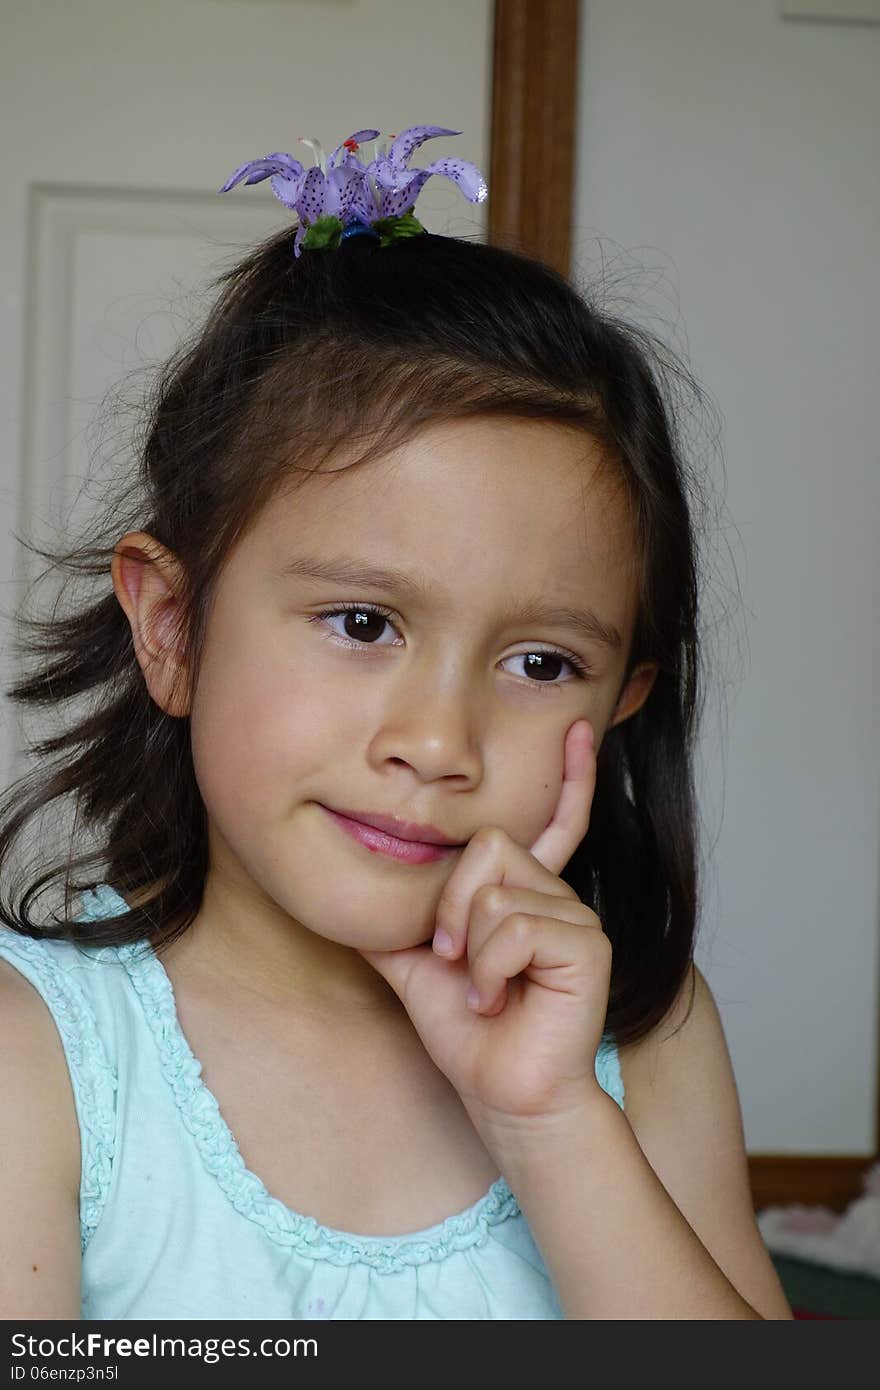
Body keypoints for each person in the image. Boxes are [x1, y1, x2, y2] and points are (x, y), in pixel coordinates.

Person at [0, 124, 792, 1320]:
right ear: (171, 628)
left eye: (539, 659)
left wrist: (550, 1118)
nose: (437, 742)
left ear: (623, 699)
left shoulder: (647, 1036)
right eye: (363, 623)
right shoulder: (41, 1063)